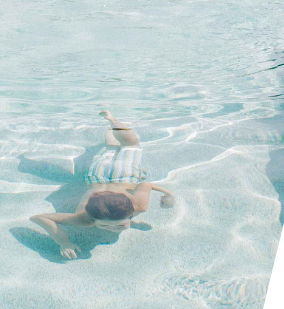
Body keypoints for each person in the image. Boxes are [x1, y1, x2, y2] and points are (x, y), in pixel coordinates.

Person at [31, 110, 176, 260]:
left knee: (129, 146)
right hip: (96, 175)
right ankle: (113, 121)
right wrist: (63, 242)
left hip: (122, 174)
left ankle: (112, 120)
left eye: (119, 225)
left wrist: (169, 195)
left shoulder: (138, 206)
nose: (112, 229)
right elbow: (145, 185)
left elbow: (39, 218)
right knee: (124, 146)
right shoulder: (84, 219)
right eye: (106, 226)